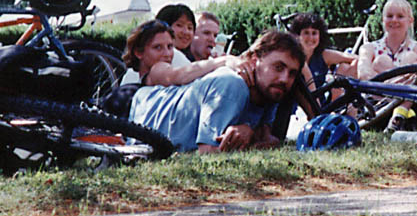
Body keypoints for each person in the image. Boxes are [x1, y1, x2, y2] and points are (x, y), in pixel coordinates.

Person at [125, 22, 305, 153]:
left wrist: (251, 132)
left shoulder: (271, 90)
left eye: (292, 73)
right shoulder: (231, 83)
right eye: (278, 67)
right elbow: (209, 155)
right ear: (253, 61)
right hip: (143, 115)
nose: (284, 79)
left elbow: (267, 139)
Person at [357, 0, 417, 131]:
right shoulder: (369, 47)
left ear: (410, 21)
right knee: (380, 61)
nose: (394, 20)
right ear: (383, 20)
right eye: (389, 16)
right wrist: (395, 85)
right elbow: (363, 73)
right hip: (381, 103)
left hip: (413, 108)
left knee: (411, 59)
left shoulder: (416, 47)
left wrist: (404, 73)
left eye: (400, 16)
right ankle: (398, 111)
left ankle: (400, 112)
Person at [288, 12, 357, 91]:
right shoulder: (290, 57)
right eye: (306, 33)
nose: (310, 37)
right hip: (295, 102)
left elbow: (356, 58)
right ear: (297, 35)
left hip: (320, 102)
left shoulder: (324, 55)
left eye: (314, 33)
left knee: (345, 66)